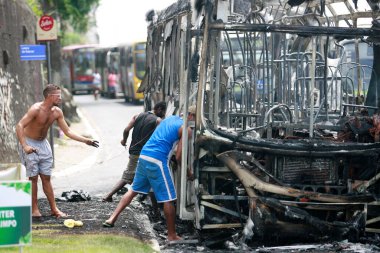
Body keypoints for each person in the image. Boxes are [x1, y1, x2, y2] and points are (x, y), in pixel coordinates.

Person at [102, 105, 196, 242]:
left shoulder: (169, 119)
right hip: (157, 159)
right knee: (169, 198)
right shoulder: (186, 129)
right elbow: (180, 156)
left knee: (133, 190)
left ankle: (111, 219)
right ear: (192, 116)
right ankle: (172, 235)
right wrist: (188, 172)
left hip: (144, 154)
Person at [16, 84, 99, 218]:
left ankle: (54, 209)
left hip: (43, 144)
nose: (60, 98)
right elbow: (19, 125)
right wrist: (25, 146)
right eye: (58, 96)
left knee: (46, 178)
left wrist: (86, 141)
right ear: (49, 96)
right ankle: (34, 209)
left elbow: (68, 131)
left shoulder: (57, 112)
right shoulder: (36, 109)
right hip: (29, 143)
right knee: (33, 178)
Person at [102, 101, 167, 202]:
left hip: (134, 151)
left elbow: (126, 130)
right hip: (145, 153)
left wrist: (124, 140)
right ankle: (108, 196)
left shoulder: (137, 116)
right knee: (136, 177)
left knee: (134, 176)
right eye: (164, 113)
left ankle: (150, 205)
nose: (163, 116)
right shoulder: (158, 121)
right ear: (159, 109)